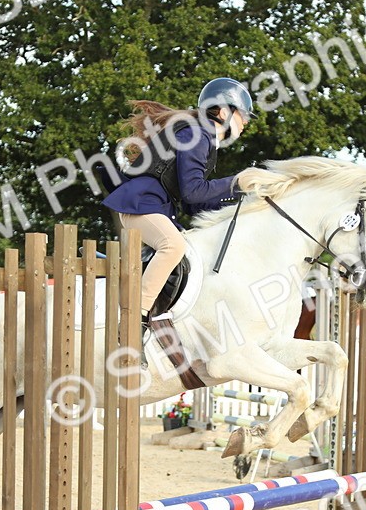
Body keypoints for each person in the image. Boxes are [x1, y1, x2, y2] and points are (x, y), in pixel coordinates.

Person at [102, 77, 254, 332]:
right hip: (141, 205)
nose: (246, 121)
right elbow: (194, 193)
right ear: (225, 112)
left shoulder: (201, 137)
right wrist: (236, 183)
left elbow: (192, 204)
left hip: (155, 207)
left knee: (191, 246)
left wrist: (241, 200)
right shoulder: (196, 134)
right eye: (243, 115)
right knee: (173, 245)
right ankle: (134, 318)